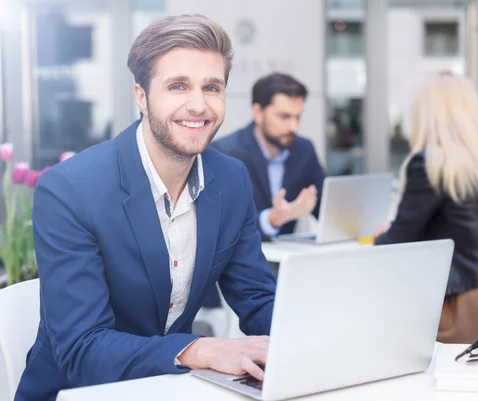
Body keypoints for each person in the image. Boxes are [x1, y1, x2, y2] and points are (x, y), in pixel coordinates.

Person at [16, 14, 276, 401]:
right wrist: (200, 348)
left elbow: (257, 298)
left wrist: (318, 339)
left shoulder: (232, 178)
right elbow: (82, 350)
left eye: (211, 87)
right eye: (177, 86)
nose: (198, 105)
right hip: (78, 392)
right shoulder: (69, 189)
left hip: (174, 390)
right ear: (141, 96)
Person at [372, 71, 478, 344]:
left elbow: (396, 244)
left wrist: (377, 237)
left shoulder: (430, 165)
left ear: (426, 116)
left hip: (462, 309)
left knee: (374, 318)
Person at [211, 73, 326, 241]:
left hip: (289, 258)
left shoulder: (303, 150)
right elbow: (222, 223)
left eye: (298, 117)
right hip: (240, 260)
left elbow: (325, 208)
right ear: (258, 112)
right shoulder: (224, 152)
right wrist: (273, 219)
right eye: (284, 116)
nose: (293, 127)